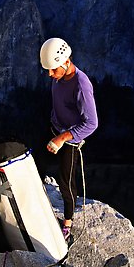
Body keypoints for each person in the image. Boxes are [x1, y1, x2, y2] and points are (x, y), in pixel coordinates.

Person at [40, 37, 98, 242]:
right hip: (54, 127)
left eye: (53, 69)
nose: (50, 74)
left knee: (66, 183)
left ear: (66, 63)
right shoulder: (59, 75)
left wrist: (63, 138)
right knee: (40, 164)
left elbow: (91, 123)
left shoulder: (81, 85)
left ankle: (67, 225)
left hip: (70, 140)